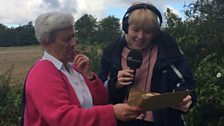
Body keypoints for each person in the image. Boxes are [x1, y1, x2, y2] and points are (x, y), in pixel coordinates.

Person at [21, 11, 142, 126]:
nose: (74, 43)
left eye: (73, 36)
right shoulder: (43, 73)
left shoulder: (73, 68)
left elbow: (102, 100)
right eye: (67, 39)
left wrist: (89, 76)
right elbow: (64, 119)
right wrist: (112, 112)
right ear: (46, 43)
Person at [98, 2, 197, 126]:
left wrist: (186, 99)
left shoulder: (168, 50)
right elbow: (99, 92)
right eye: (135, 29)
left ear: (155, 32)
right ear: (125, 27)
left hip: (162, 121)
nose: (141, 36)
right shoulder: (112, 52)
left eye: (148, 32)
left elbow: (187, 84)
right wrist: (116, 84)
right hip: (123, 120)